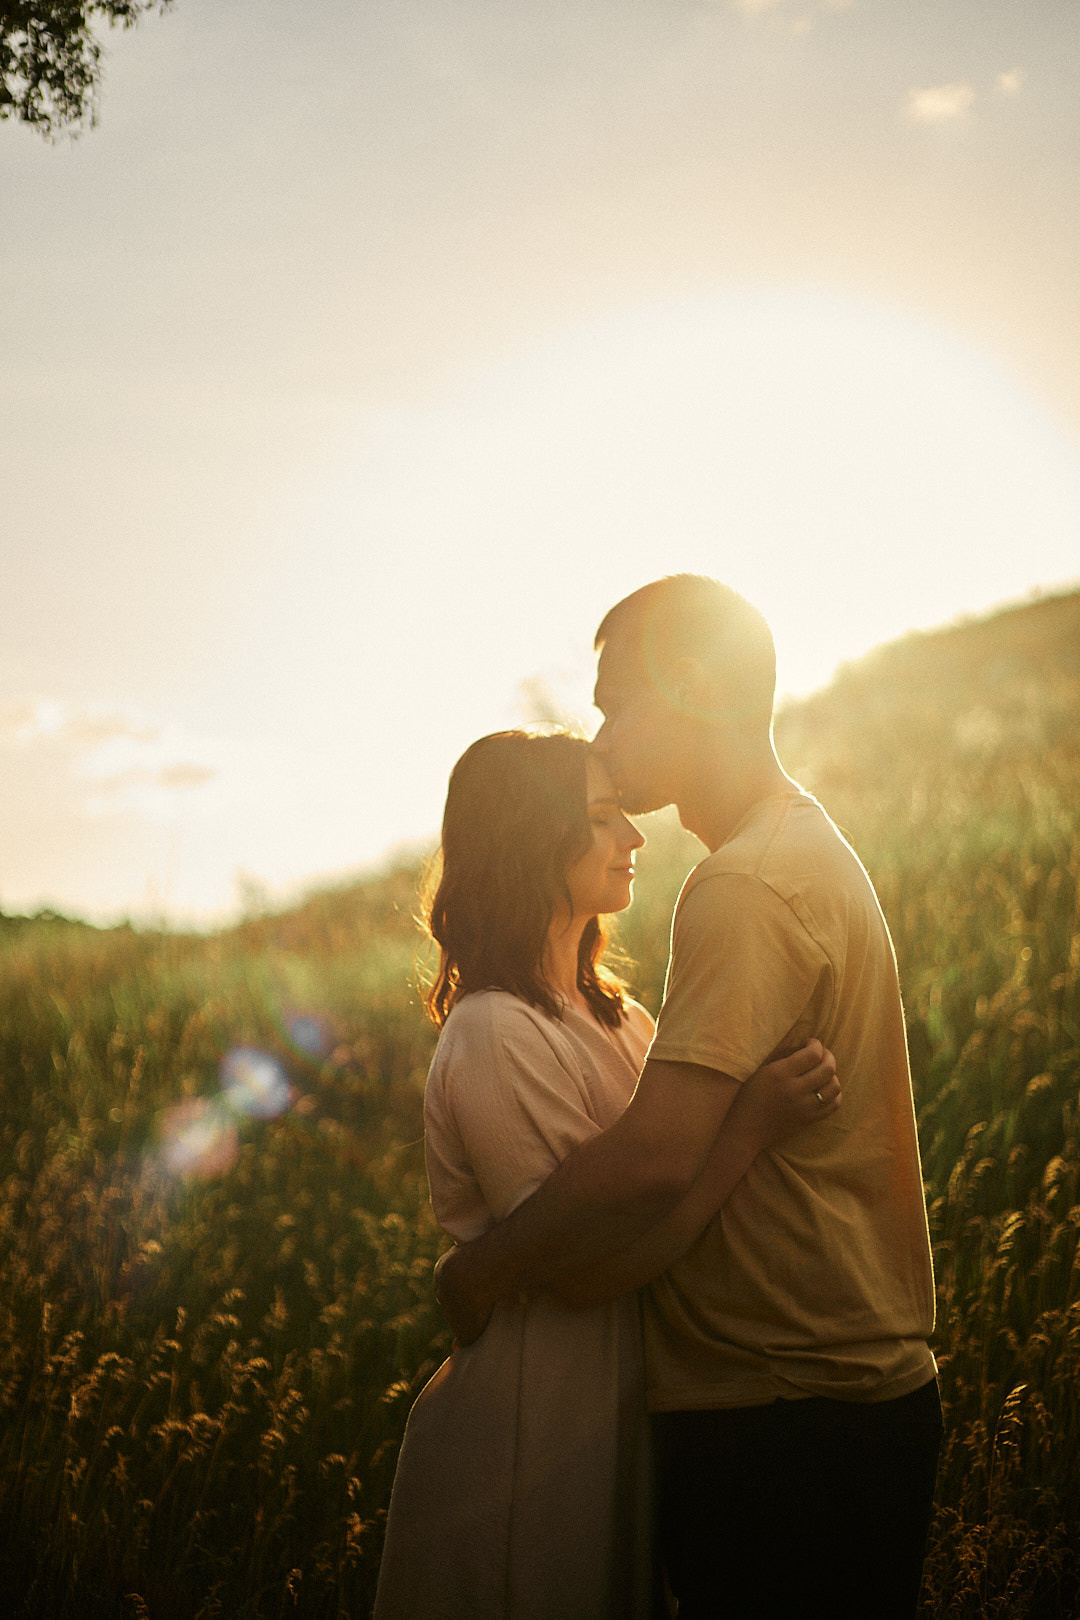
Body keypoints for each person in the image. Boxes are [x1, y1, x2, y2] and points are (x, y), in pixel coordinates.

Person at [435, 577, 942, 1620]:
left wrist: (486, 1265)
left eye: (618, 703)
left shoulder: (748, 882)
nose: (605, 737)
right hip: (808, 1400)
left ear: (695, 685)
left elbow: (659, 1156)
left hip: (788, 1410)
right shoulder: (785, 853)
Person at [373, 729, 839, 1620]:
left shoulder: (620, 1017)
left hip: (621, 1407)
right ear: (529, 840)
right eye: (600, 817)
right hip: (530, 1422)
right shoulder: (494, 1031)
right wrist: (751, 1128)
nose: (634, 836)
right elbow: (586, 1269)